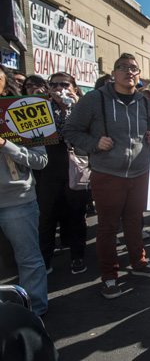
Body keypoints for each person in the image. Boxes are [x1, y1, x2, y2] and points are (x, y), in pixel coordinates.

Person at [63, 53, 150, 299]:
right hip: (107, 175)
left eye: (133, 68)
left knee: (135, 223)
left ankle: (138, 263)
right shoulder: (94, 100)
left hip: (140, 174)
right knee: (107, 228)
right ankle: (109, 277)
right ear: (113, 73)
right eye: (122, 67)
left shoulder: (146, 103)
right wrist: (95, 143)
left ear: (139, 75)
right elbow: (70, 130)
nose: (129, 71)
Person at [37, 72, 89, 275]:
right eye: (54, 85)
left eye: (64, 84)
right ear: (49, 89)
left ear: (74, 88)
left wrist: (77, 107)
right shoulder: (40, 109)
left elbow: (89, 133)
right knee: (47, 216)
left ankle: (77, 256)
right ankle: (45, 259)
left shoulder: (81, 107)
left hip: (75, 166)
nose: (60, 88)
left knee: (76, 214)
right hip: (48, 168)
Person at [0, 137, 48, 316]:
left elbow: (40, 160)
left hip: (17, 199)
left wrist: (6, 145)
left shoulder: (23, 114)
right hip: (17, 199)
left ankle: (33, 315)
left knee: (28, 258)